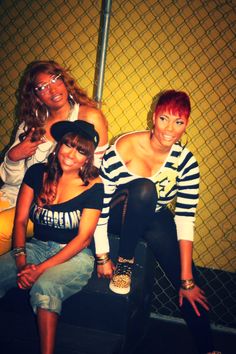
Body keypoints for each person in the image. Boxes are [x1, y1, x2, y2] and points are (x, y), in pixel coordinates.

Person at [94, 90, 221, 354]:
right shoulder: (122, 148)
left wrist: (186, 279)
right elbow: (100, 204)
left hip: (152, 215)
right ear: (154, 117)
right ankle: (125, 264)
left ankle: (208, 348)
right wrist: (103, 254)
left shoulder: (186, 163)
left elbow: (186, 218)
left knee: (187, 278)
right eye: (164, 118)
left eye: (179, 122)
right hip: (119, 214)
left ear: (187, 124)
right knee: (144, 189)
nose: (169, 129)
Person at [0, 120, 104, 354]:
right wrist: (21, 261)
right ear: (59, 146)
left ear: (88, 158)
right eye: (68, 144)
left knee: (45, 287)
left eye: (81, 150)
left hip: (74, 255)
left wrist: (38, 270)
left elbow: (84, 239)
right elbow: (20, 221)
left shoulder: (94, 186)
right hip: (36, 246)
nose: (71, 153)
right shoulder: (37, 173)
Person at [0, 60, 108, 255]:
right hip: (14, 194)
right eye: (42, 87)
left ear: (65, 81)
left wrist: (101, 251)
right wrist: (14, 156)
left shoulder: (89, 118)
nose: (52, 89)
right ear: (37, 96)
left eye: (55, 80)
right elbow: (12, 180)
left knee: (0, 228)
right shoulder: (31, 124)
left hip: (47, 205)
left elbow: (93, 175)